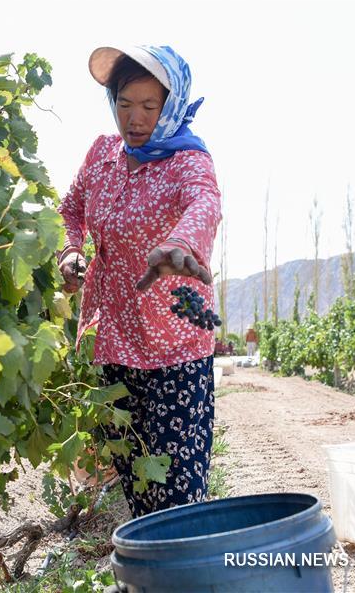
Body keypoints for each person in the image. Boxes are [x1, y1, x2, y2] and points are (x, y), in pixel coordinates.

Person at [57, 45, 222, 519]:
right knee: (136, 486)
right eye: (125, 103)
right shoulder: (103, 155)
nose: (135, 118)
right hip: (114, 345)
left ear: (170, 106)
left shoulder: (187, 162)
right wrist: (71, 250)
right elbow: (71, 209)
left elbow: (204, 204)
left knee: (177, 493)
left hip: (174, 350)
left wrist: (182, 245)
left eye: (150, 106)